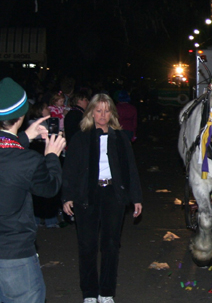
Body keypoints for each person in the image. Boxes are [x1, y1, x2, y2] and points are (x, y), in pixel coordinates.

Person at [0, 77, 66, 303]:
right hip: (14, 258)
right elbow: (50, 188)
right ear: (21, 116)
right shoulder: (27, 161)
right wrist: (51, 156)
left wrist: (26, 136)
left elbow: (0, 151)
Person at [62, 94, 142, 303]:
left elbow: (131, 169)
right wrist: (67, 196)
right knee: (87, 245)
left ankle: (106, 292)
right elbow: (70, 169)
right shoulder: (81, 137)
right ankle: (89, 292)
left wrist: (136, 197)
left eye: (107, 111)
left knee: (111, 245)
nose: (103, 115)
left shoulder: (120, 137)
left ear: (112, 113)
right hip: (87, 194)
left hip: (113, 194)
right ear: (91, 112)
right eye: (98, 110)